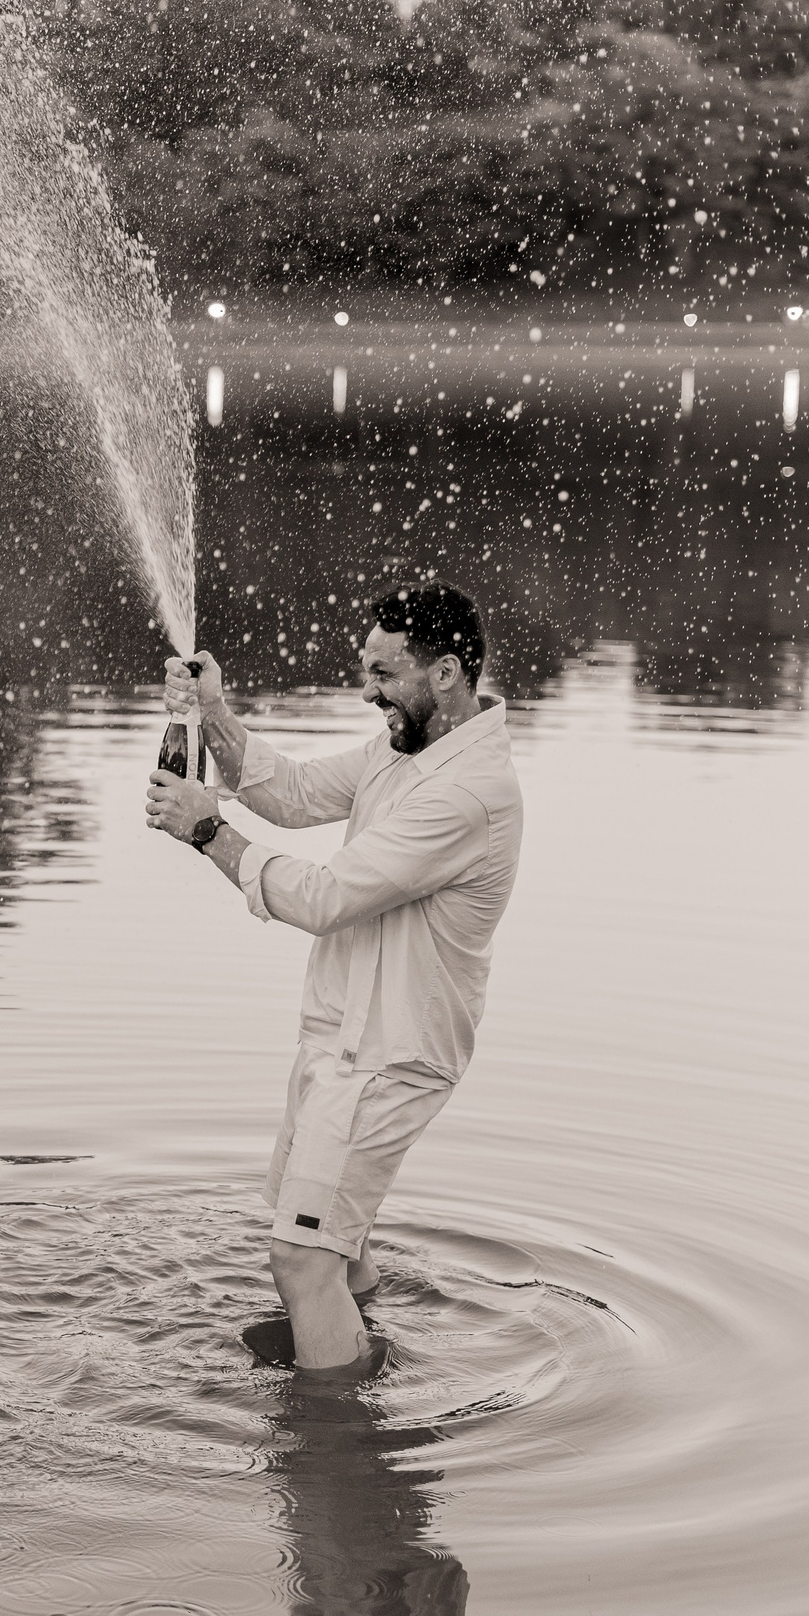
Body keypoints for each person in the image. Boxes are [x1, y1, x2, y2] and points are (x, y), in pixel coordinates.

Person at [144, 582, 523, 1377]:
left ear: (447, 671)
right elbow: (295, 793)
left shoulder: (467, 793)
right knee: (334, 1250)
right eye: (366, 669)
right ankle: (362, 1361)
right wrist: (213, 714)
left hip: (391, 1058)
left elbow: (324, 898)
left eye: (385, 674)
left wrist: (206, 827)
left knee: (300, 1259)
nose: (367, 690)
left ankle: (337, 1452)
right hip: (340, 1039)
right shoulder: (405, 748)